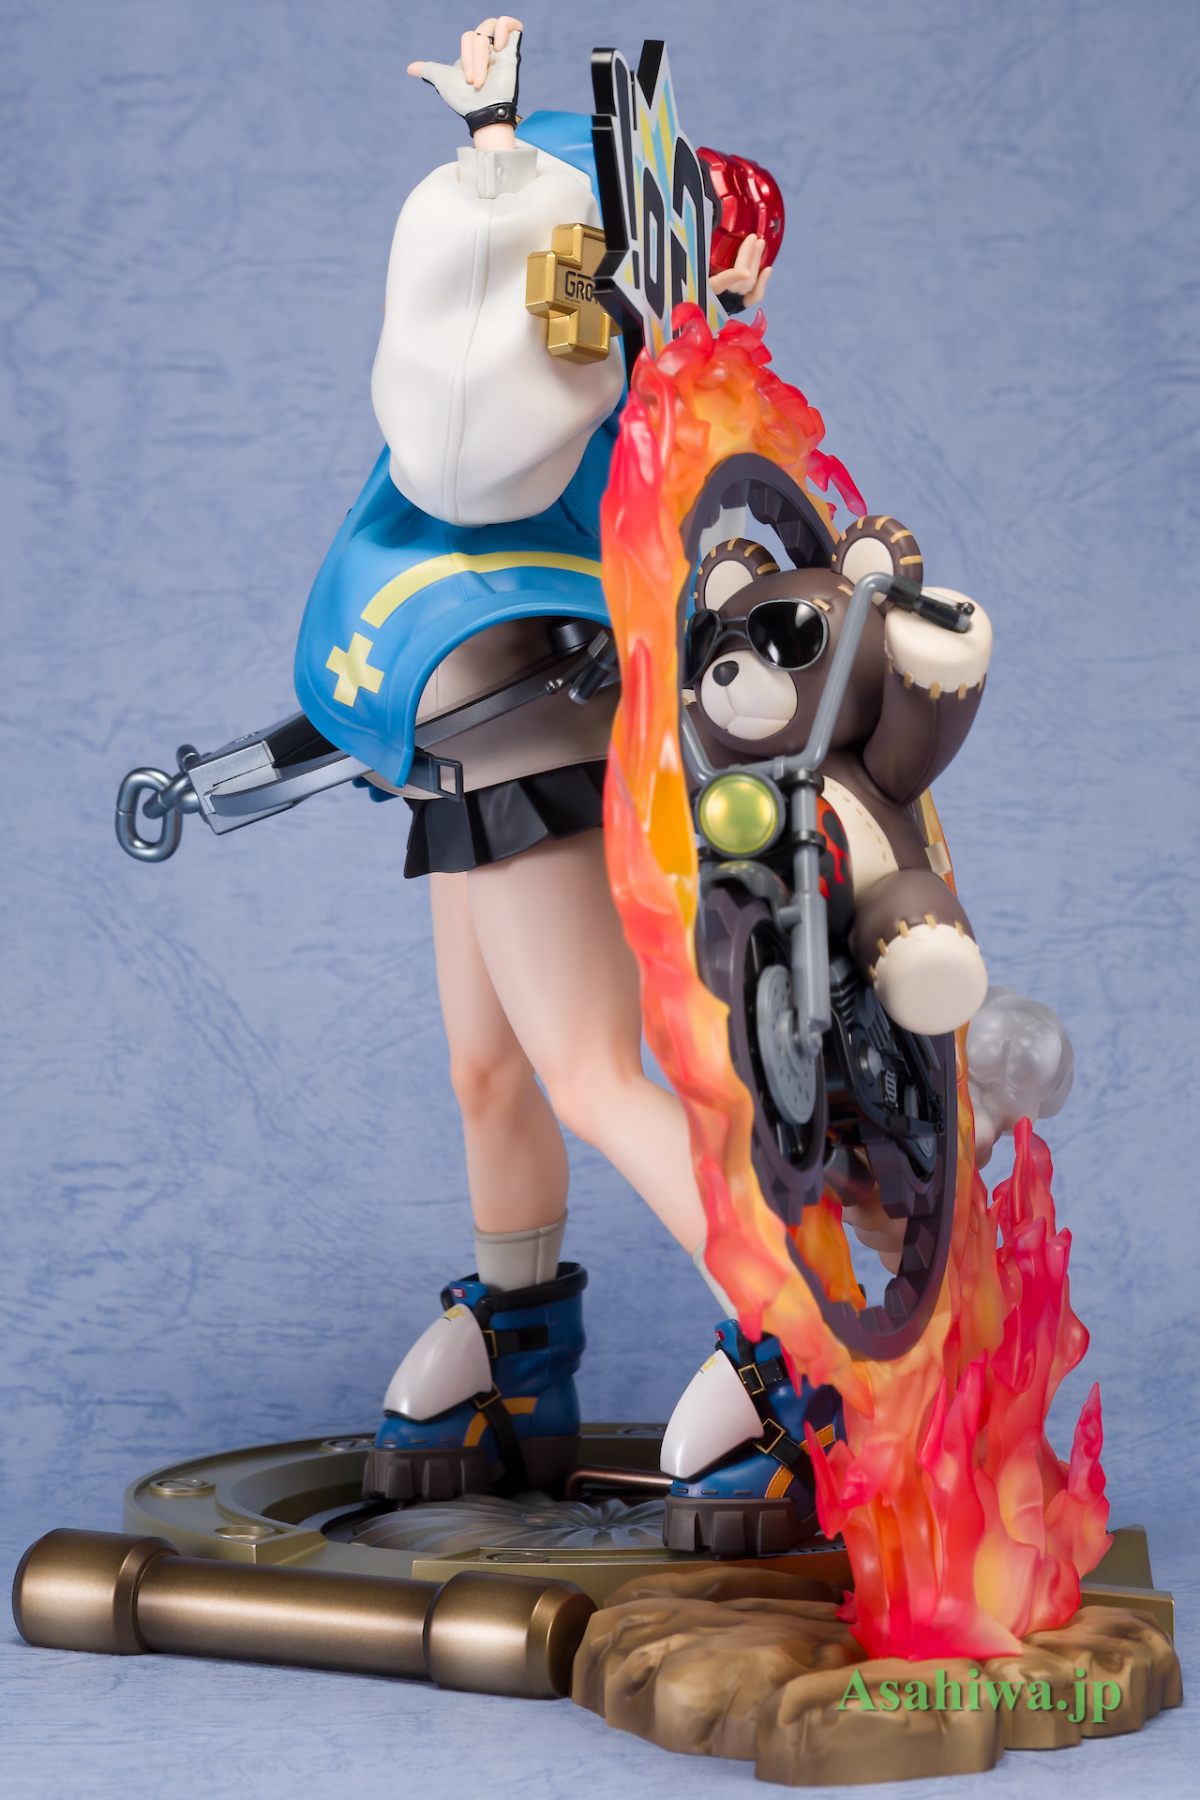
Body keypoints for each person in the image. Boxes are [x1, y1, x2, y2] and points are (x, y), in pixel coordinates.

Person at [295, 19, 839, 1547]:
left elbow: (503, 451)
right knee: (489, 1066)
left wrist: (493, 161)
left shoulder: (642, 370)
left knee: (593, 1067)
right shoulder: (580, 330)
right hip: (458, 697)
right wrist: (495, 154)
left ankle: (798, 1348)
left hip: (532, 693)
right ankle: (517, 1338)